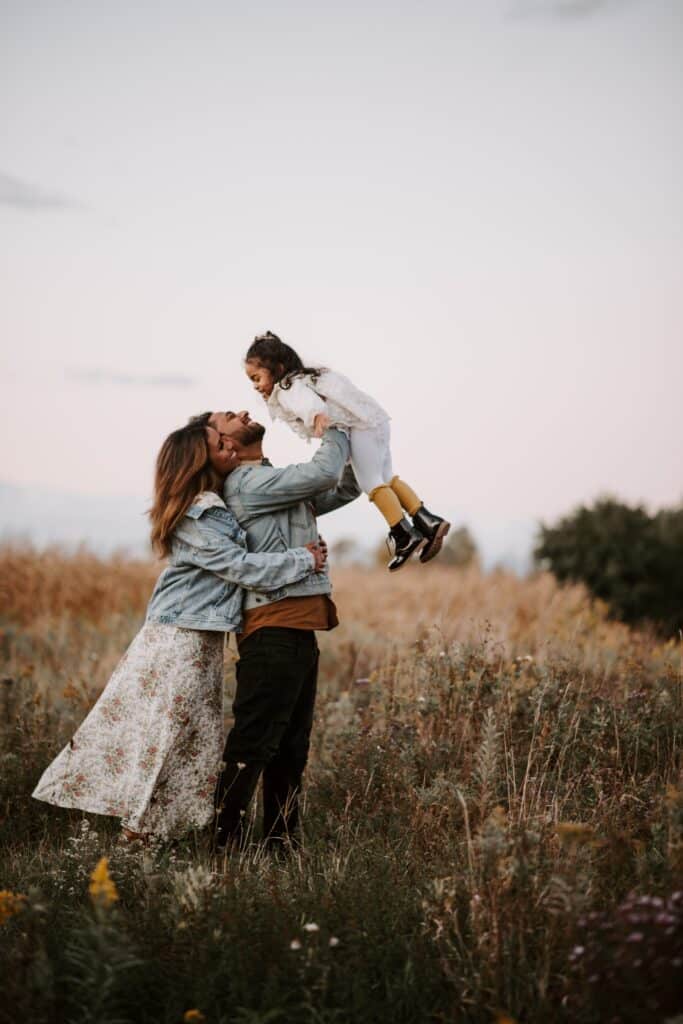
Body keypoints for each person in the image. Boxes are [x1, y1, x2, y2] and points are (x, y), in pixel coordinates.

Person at [32, 415, 325, 841]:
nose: (229, 446)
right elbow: (238, 567)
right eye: (218, 443)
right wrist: (303, 559)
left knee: (190, 738)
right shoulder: (196, 513)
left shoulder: (220, 501)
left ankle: (162, 830)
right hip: (179, 637)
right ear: (197, 459)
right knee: (166, 735)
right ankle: (142, 833)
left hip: (200, 638)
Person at [206, 409, 360, 851]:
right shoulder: (246, 484)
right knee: (253, 744)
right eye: (228, 419)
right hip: (273, 628)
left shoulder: (272, 483)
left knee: (291, 749)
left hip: (297, 630)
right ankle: (223, 845)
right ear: (227, 445)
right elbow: (323, 470)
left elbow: (343, 483)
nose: (244, 412)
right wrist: (332, 423)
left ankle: (280, 845)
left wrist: (367, 447)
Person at [243, 330, 451, 571]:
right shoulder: (306, 377)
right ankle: (428, 521)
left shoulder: (288, 388)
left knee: (370, 482)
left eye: (256, 378)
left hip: (359, 426)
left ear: (277, 369)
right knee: (387, 478)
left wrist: (317, 417)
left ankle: (404, 534)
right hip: (374, 419)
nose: (255, 386)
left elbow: (308, 404)